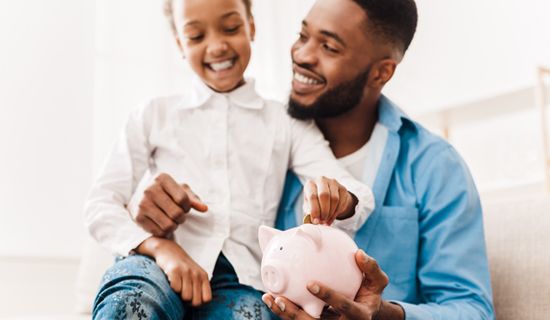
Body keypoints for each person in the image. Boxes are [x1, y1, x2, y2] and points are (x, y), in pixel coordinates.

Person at [84, 0, 375, 319]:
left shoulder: (286, 122)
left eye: (231, 28)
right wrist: (160, 247)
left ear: (251, 25)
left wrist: (341, 198)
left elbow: (356, 193)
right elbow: (100, 204)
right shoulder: (152, 116)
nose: (217, 46)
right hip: (154, 263)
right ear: (180, 43)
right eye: (196, 36)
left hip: (242, 279)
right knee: (130, 304)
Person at [262, 0, 496, 319]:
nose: (302, 55)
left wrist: (384, 314)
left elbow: (473, 310)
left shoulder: (434, 167)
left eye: (329, 47)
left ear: (380, 72)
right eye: (303, 36)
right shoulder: (268, 147)